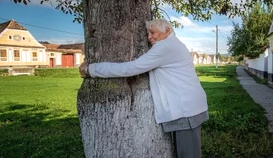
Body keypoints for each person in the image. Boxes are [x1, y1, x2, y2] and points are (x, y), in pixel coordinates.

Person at [79, 19, 208, 158]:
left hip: (186, 111)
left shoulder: (165, 47)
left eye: (152, 32)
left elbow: (130, 68)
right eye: (147, 33)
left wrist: (91, 69)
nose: (149, 37)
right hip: (187, 108)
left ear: (167, 31)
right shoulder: (173, 44)